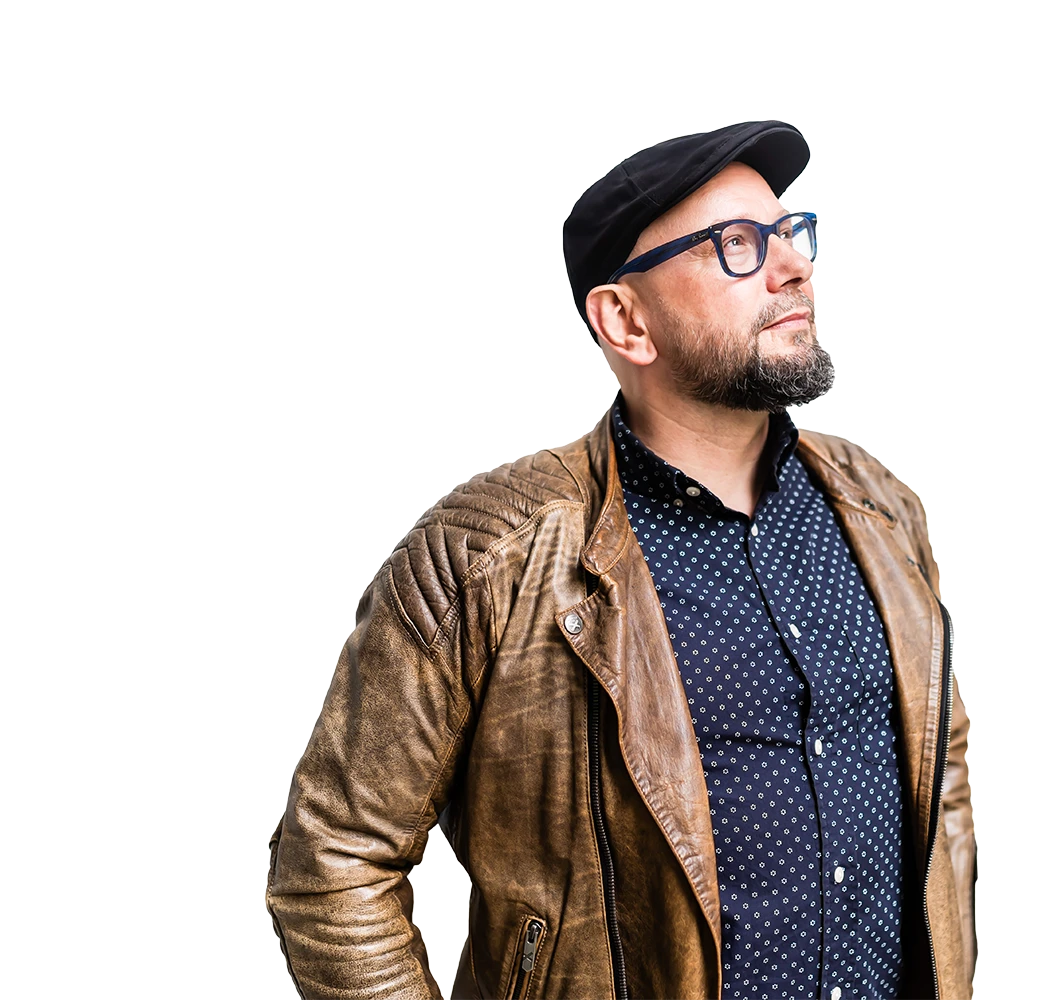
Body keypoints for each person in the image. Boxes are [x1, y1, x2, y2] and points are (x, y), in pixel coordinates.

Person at [265, 119, 976, 1000]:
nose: (794, 265)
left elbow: (940, 787)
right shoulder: (489, 554)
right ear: (627, 320)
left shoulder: (884, 510)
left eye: (791, 231)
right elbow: (334, 860)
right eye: (739, 245)